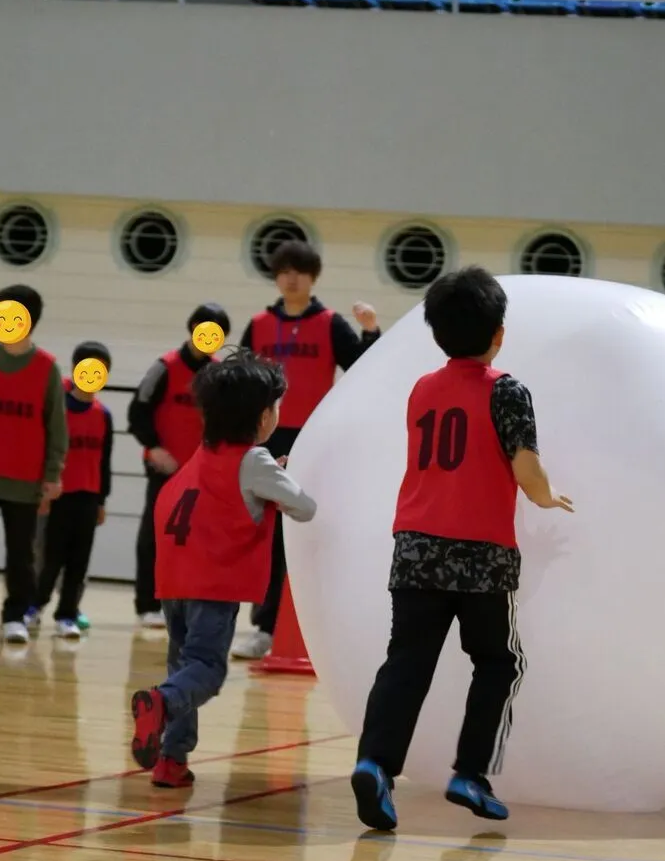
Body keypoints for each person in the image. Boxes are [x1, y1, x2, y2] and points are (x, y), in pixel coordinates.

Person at [351, 267, 574, 831]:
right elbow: (525, 467)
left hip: (417, 546)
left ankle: (376, 762)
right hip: (482, 555)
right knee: (498, 662)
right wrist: (547, 499)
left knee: (406, 663)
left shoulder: (423, 389)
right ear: (498, 334)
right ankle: (469, 772)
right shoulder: (508, 390)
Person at [130, 349, 316, 789]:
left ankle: (171, 760)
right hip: (212, 584)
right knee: (206, 672)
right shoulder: (255, 460)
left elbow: (233, 489)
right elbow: (304, 508)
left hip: (173, 581)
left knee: (184, 665)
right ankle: (161, 702)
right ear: (263, 415)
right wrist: (283, 479)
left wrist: (273, 477)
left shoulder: (204, 453)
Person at [232, 241, 380, 659]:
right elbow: (238, 380)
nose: (290, 278)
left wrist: (370, 332)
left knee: (304, 533)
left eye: (299, 271)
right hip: (264, 440)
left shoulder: (331, 324)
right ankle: (262, 628)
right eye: (283, 271)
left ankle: (311, 630)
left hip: (311, 443)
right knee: (262, 534)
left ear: (312, 276)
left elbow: (362, 367)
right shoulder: (259, 324)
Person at [0, 284, 67, 644]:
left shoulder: (46, 368)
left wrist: (52, 475)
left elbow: (57, 426)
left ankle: (15, 618)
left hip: (24, 482)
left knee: (21, 558)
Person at [128, 302, 231, 628]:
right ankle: (147, 605)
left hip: (202, 474)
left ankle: (187, 603)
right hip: (165, 472)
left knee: (197, 540)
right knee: (154, 538)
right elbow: (137, 411)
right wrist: (155, 448)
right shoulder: (165, 367)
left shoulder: (219, 375)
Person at [26, 341, 113, 640]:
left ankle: (67, 614)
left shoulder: (103, 415)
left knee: (79, 561)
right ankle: (33, 606)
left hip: (87, 497)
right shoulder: (57, 408)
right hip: (57, 495)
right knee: (49, 558)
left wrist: (102, 500)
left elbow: (105, 461)